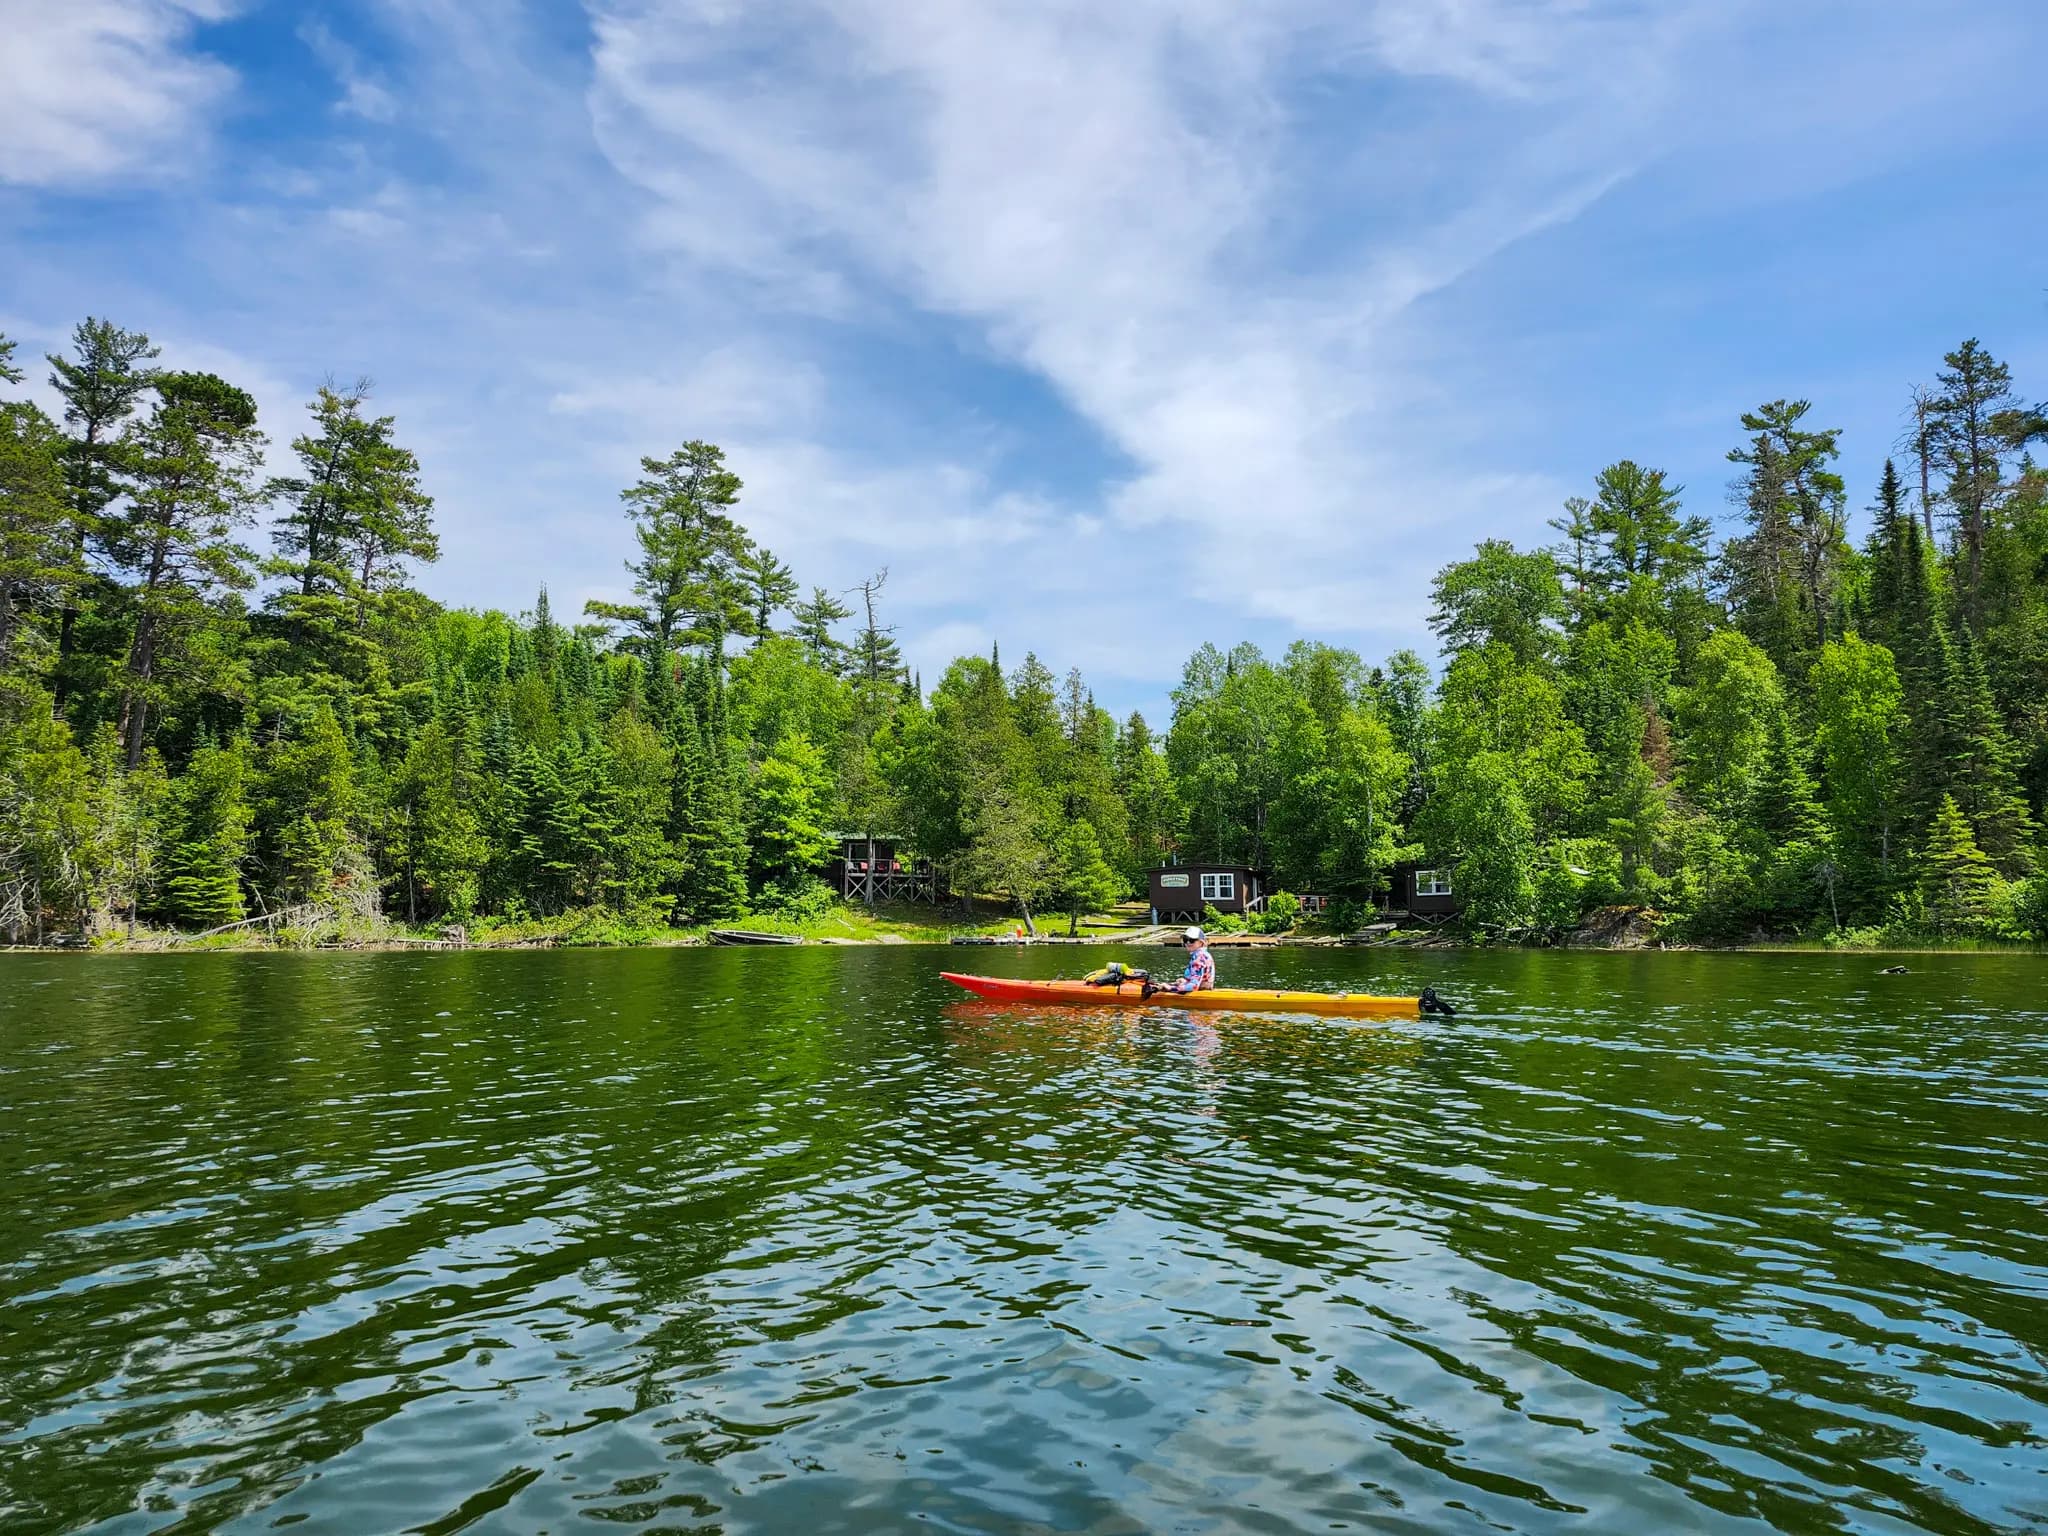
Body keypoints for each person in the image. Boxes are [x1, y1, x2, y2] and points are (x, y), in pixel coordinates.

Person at [1170, 926, 1215, 993]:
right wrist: (1186, 981)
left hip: (1200, 994)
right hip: (1205, 990)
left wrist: (1170, 988)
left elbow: (1194, 986)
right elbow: (1200, 979)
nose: (1188, 943)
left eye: (1192, 940)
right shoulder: (1204, 954)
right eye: (1185, 940)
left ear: (1201, 942)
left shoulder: (1199, 957)